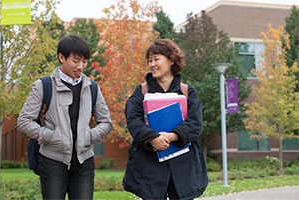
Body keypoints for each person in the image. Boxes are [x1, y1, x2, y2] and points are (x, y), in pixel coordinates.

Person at [17, 35, 113, 200]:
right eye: (76, 61)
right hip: (52, 160)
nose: (81, 66)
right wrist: (50, 136)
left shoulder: (92, 88)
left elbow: (106, 122)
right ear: (61, 57)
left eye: (84, 61)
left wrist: (89, 136)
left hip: (84, 161)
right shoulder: (44, 86)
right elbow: (24, 121)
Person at [123, 38, 208, 200]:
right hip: (150, 165)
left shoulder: (187, 92)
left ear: (171, 60)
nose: (152, 64)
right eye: (149, 60)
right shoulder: (141, 92)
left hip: (183, 165)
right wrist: (152, 138)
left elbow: (195, 123)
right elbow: (133, 120)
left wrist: (171, 136)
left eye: (156, 59)